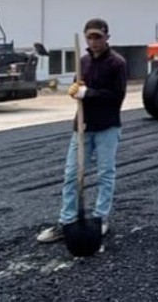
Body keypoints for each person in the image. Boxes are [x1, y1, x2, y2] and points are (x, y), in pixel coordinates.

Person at [36, 18, 129, 243]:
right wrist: (76, 90)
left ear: (107, 37)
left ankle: (101, 218)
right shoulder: (83, 61)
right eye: (90, 37)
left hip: (107, 126)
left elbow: (117, 96)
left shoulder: (117, 63)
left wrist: (89, 94)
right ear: (86, 37)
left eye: (98, 36)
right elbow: (80, 88)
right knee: (71, 175)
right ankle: (66, 222)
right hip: (82, 126)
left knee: (105, 174)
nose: (94, 41)